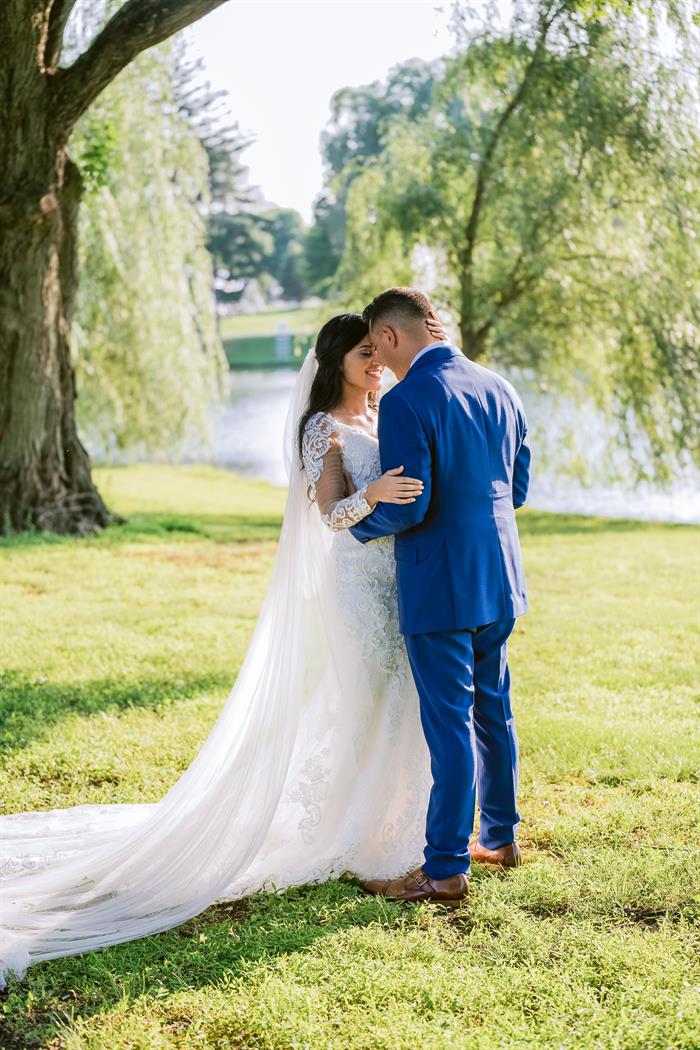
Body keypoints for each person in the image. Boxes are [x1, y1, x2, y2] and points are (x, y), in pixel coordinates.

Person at [0, 309, 450, 985]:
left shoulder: (392, 413)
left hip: (404, 580)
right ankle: (364, 838)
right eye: (363, 354)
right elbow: (326, 514)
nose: (375, 363)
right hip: (359, 585)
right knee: (368, 699)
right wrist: (374, 493)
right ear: (337, 364)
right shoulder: (323, 428)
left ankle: (405, 824)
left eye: (377, 351)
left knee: (407, 701)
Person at [350, 287, 531, 906]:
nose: (380, 362)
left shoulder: (408, 400)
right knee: (492, 709)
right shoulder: (500, 387)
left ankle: (446, 868)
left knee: (449, 724)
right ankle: (500, 838)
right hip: (499, 575)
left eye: (378, 347)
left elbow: (412, 502)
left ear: (393, 337)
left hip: (441, 583)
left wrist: (355, 523)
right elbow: (519, 485)